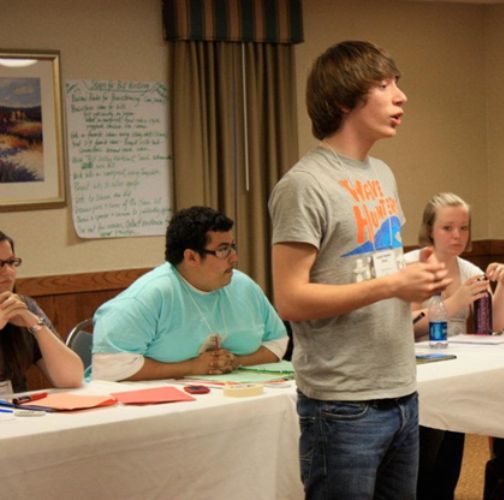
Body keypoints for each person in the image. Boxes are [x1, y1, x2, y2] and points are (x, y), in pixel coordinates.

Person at [268, 40, 450, 499]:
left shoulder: (381, 174)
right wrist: (393, 282)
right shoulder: (304, 185)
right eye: (384, 85)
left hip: (402, 391)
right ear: (345, 100)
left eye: (398, 85)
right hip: (342, 406)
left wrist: (419, 280)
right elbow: (290, 299)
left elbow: (375, 275)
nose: (400, 96)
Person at [405, 193, 504, 500]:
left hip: (458, 368)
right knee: (431, 461)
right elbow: (404, 324)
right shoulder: (411, 266)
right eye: (448, 228)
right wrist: (454, 303)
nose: (457, 235)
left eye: (463, 228)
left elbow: (495, 325)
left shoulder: (469, 270)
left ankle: (501, 477)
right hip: (418, 372)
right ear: (429, 230)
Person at [92, 206, 288, 382]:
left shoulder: (243, 286)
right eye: (223, 250)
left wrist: (236, 361)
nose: (234, 258)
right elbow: (109, 367)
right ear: (191, 257)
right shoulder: (150, 295)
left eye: (232, 247)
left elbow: (278, 342)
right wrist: (194, 367)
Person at [0, 230, 84, 394]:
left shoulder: (24, 307)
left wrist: (34, 324)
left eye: (11, 262)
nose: (8, 271)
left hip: (16, 413)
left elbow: (71, 379)